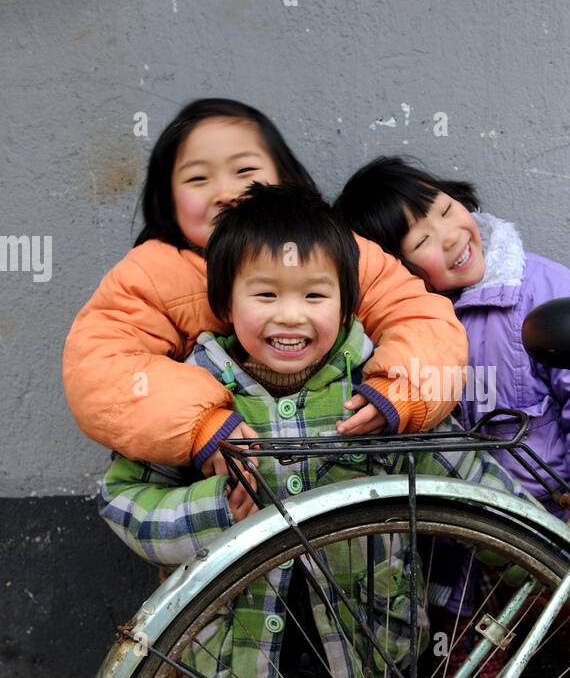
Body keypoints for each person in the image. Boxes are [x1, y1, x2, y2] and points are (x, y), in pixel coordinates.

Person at [97, 184, 528, 678]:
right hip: (238, 676)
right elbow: (128, 502)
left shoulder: (378, 388)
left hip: (374, 668)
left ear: (349, 303)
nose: (290, 316)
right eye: (265, 294)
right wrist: (218, 510)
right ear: (225, 301)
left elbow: (459, 472)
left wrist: (539, 556)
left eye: (315, 295)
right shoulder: (192, 398)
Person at [61, 100, 469, 488]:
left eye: (245, 169)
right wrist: (196, 422)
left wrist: (404, 389)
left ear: (284, 178)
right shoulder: (149, 274)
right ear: (167, 196)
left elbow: (419, 316)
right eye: (198, 178)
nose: (223, 192)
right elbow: (98, 370)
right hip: (226, 491)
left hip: (340, 458)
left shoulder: (335, 249)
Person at [334, 156, 570, 575]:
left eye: (446, 210)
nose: (449, 237)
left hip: (558, 536)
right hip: (455, 551)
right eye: (422, 241)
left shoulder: (544, 295)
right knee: (470, 642)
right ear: (396, 268)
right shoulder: (401, 336)